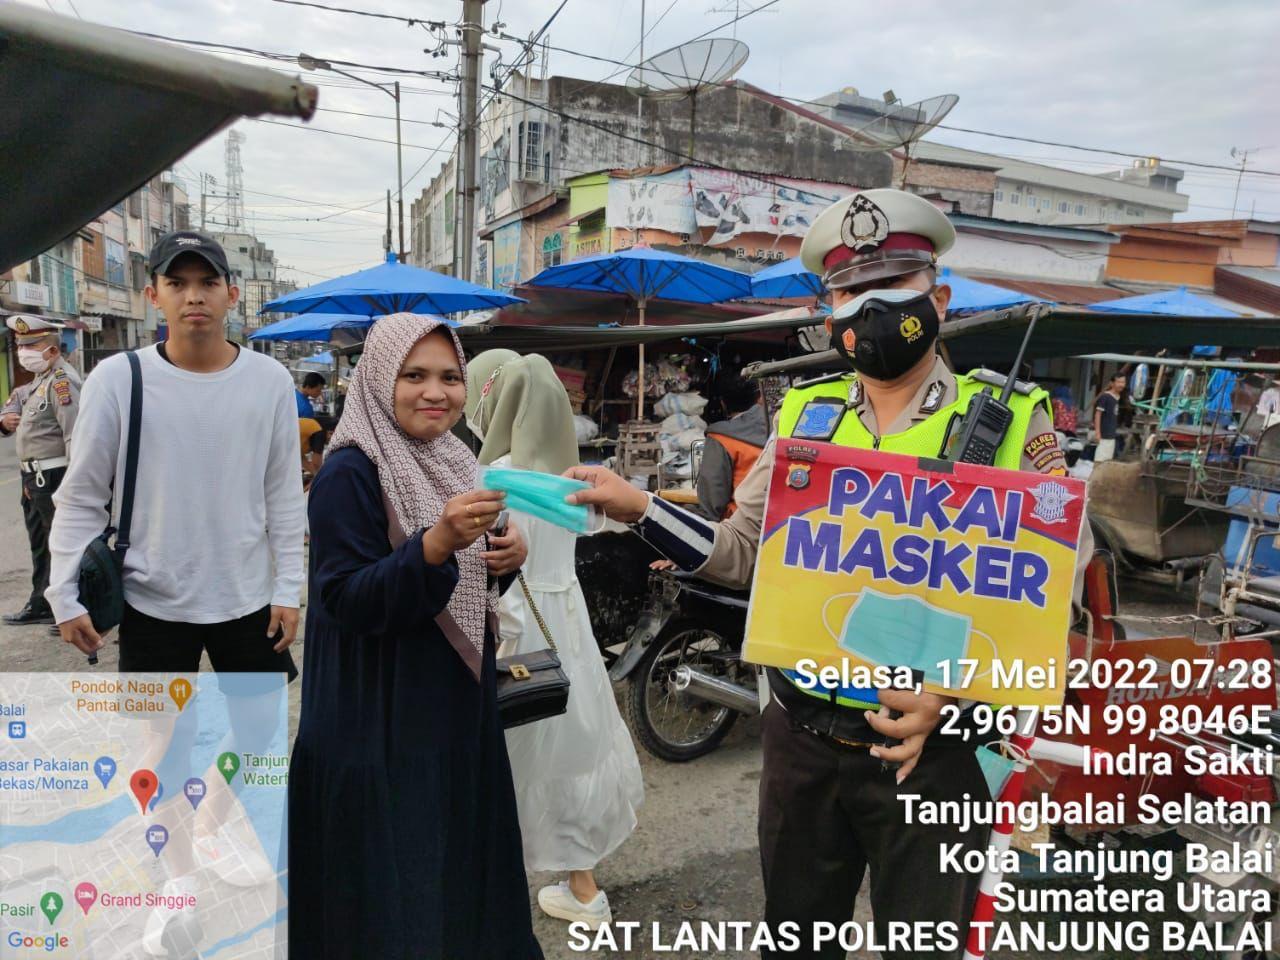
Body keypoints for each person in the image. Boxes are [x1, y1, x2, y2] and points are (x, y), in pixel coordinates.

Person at [564, 188, 1089, 960]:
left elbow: (1052, 604)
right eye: (849, 292)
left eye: (893, 287)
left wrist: (951, 696)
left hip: (937, 752)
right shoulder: (803, 419)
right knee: (797, 939)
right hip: (804, 735)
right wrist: (640, 505)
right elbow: (743, 549)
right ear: (828, 309)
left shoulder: (1011, 420)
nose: (869, 309)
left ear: (937, 297)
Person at [289, 314, 541, 960]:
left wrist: (502, 559)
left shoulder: (455, 461)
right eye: (415, 375)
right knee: (395, 888)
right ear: (377, 381)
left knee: (453, 874)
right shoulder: (349, 472)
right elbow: (345, 598)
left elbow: (467, 585)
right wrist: (438, 544)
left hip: (449, 712)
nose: (437, 392)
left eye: (451, 377)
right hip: (379, 716)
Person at [46, 230, 305, 668]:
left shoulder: (270, 380)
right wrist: (63, 592)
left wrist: (287, 588)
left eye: (208, 283)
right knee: (160, 737)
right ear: (153, 294)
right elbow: (82, 494)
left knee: (256, 733)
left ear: (232, 294)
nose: (194, 296)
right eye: (177, 283)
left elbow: (282, 493)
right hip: (150, 600)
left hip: (249, 597)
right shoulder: (117, 379)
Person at [466, 350, 644, 930]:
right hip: (567, 626)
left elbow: (498, 576)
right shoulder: (570, 478)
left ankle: (510, 889)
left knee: (515, 759)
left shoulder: (491, 481)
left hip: (519, 627)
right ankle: (580, 882)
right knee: (574, 749)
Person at [0, 315, 80, 626]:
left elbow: (74, 434)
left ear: (51, 349)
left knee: (62, 544)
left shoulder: (62, 382)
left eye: (31, 345)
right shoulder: (39, 382)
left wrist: (75, 483)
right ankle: (42, 603)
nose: (23, 352)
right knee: (41, 543)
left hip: (55, 476)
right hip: (34, 477)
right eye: (20, 346)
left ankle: (73, 609)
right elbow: (15, 404)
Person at [695, 370, 768, 520]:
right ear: (760, 398)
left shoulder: (721, 438)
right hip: (778, 522)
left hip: (742, 525)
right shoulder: (781, 428)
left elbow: (712, 501)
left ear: (722, 403)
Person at [1092, 373, 1126, 463]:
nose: (1121, 384)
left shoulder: (1118, 398)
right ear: (1112, 383)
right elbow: (1098, 414)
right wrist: (1098, 433)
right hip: (1104, 435)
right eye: (1119, 382)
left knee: (1107, 461)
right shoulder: (1105, 397)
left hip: (1111, 435)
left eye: (1123, 382)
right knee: (1099, 460)